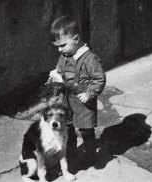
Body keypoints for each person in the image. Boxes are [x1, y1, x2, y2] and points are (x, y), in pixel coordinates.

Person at [48, 16, 106, 169]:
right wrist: (55, 79)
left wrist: (89, 94)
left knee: (86, 129)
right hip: (66, 99)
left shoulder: (90, 59)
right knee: (67, 126)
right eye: (57, 47)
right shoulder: (64, 56)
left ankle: (90, 156)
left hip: (83, 101)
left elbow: (99, 79)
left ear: (76, 39)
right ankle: (71, 154)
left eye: (62, 45)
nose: (59, 50)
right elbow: (59, 71)